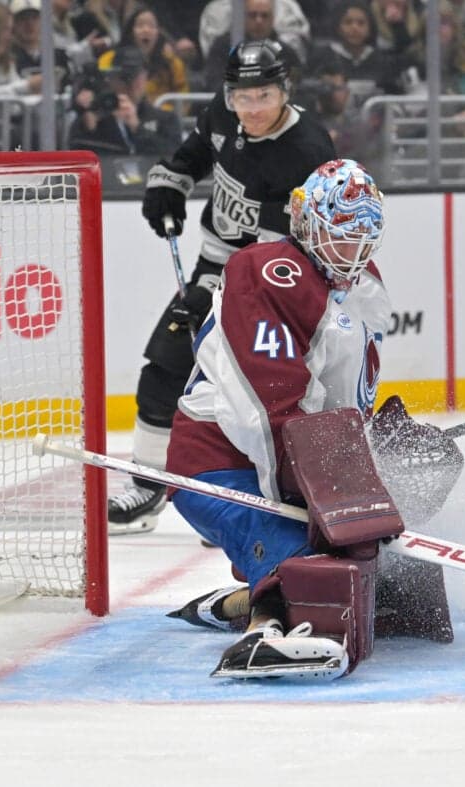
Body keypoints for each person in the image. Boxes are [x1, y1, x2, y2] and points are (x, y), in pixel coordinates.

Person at [166, 159, 461, 680]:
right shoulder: (266, 272)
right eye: (342, 236)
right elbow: (263, 412)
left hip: (292, 465)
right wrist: (327, 496)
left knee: (372, 554)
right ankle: (264, 631)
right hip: (218, 465)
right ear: (305, 221)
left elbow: (341, 406)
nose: (353, 252)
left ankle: (233, 603)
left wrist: (377, 450)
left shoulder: (362, 287)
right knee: (306, 559)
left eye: (363, 238)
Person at [107, 38, 336, 535]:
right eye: (242, 98)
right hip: (216, 266)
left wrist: (217, 295)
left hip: (275, 287)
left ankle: (257, 497)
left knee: (256, 393)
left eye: (264, 98)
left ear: (285, 92)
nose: (252, 110)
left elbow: (277, 252)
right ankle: (147, 485)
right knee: (166, 365)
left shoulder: (308, 151)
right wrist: (169, 184)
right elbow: (191, 155)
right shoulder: (223, 112)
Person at [68, 45, 183, 156]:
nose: (129, 85)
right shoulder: (98, 119)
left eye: (133, 77)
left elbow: (174, 158)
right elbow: (77, 155)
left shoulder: (166, 120)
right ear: (111, 80)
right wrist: (86, 126)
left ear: (145, 78)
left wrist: (137, 128)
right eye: (122, 78)